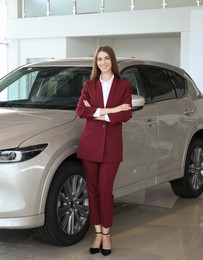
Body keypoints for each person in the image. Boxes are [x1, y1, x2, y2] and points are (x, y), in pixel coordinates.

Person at [75, 45, 132, 256]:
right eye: (99, 59)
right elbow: (81, 110)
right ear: (96, 62)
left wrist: (96, 112)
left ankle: (107, 235)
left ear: (112, 61)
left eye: (107, 58)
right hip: (90, 145)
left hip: (111, 148)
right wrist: (112, 110)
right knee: (92, 191)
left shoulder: (124, 85)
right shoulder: (89, 85)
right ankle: (97, 233)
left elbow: (126, 114)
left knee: (105, 191)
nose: (103, 62)